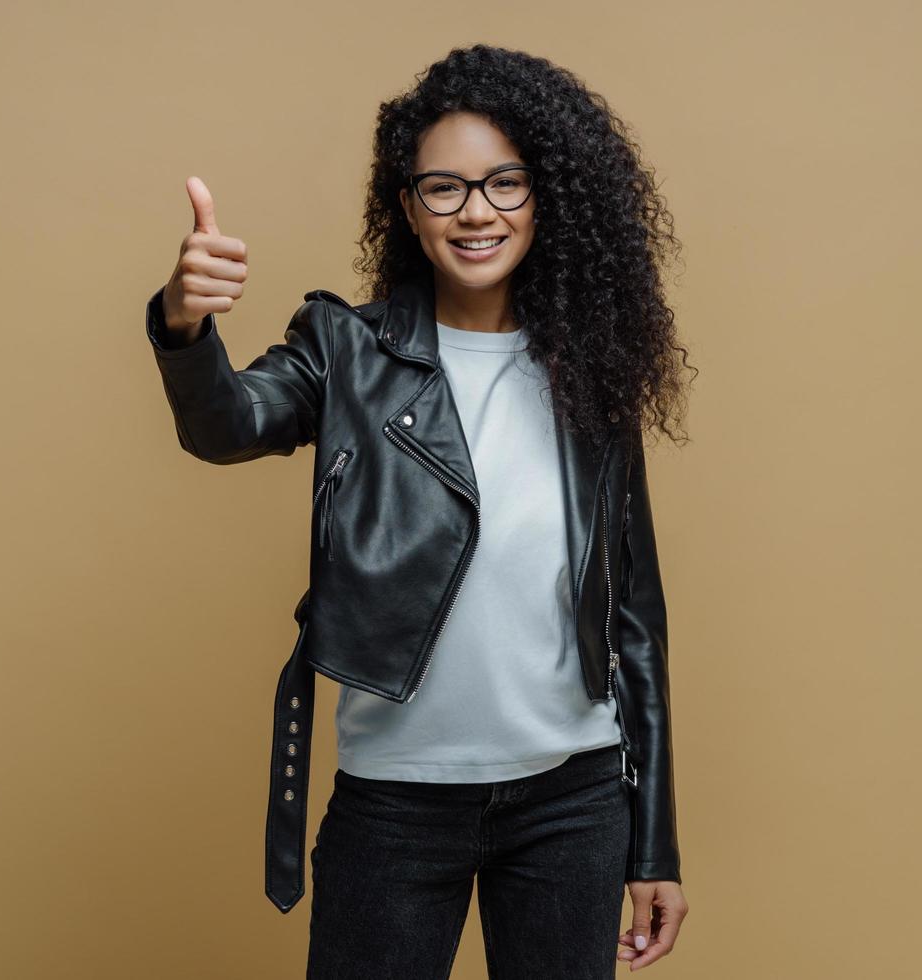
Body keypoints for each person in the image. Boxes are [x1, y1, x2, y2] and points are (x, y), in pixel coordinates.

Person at [144, 43, 694, 979]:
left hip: (574, 800)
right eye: (444, 187)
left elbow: (633, 612)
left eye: (504, 183)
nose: (476, 211)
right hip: (396, 804)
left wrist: (656, 848)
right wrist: (184, 324)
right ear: (408, 207)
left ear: (544, 196)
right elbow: (229, 425)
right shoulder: (346, 348)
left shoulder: (590, 370)